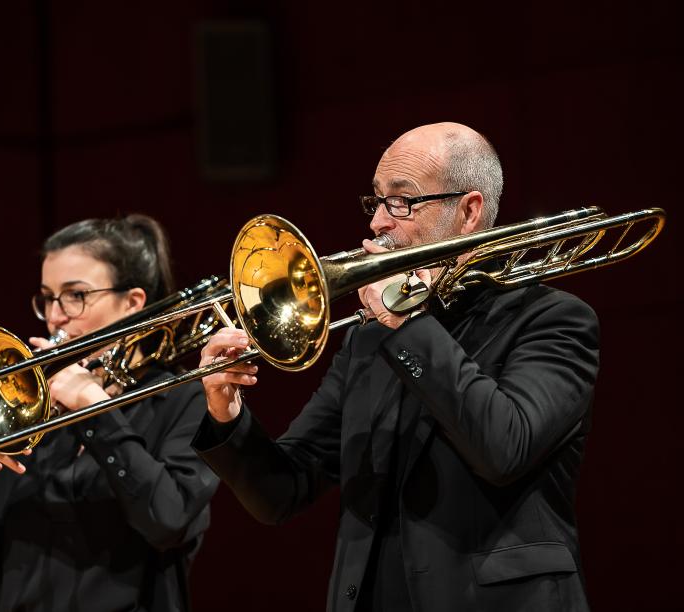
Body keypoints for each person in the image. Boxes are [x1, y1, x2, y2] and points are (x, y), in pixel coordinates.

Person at [193, 122, 599, 611]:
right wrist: (226, 411)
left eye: (401, 201)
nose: (377, 223)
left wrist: (407, 322)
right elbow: (281, 493)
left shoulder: (554, 320)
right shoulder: (368, 339)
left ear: (468, 212)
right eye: (377, 201)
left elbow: (504, 448)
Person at [0, 214, 219, 612]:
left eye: (76, 295)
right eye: (47, 298)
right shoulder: (31, 409)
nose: (56, 316)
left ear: (132, 303)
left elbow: (168, 521)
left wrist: (93, 407)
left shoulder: (184, 399)